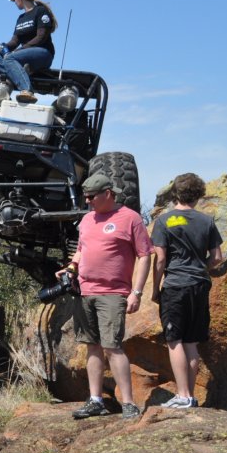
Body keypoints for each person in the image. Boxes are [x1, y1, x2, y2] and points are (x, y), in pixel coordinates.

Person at [62, 173, 153, 420]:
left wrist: (137, 292)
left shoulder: (130, 218)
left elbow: (144, 255)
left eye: (92, 197)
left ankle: (128, 403)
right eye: (86, 197)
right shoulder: (87, 220)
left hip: (113, 293)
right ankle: (95, 400)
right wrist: (71, 267)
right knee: (92, 347)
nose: (88, 201)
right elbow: (82, 250)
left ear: (108, 194)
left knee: (112, 346)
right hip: (85, 291)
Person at [150, 173, 226, 409]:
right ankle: (188, 396)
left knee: (175, 341)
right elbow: (217, 258)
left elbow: (160, 259)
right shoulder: (207, 221)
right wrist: (198, 266)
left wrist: (155, 288)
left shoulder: (165, 221)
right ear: (199, 194)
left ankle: (183, 396)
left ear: (175, 193)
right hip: (200, 285)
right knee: (192, 343)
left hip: (176, 286)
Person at [0, 0, 58, 104]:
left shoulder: (41, 11)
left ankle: (27, 90)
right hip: (21, 56)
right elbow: (15, 41)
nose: (14, 2)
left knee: (9, 59)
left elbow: (41, 37)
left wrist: (20, 50)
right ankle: (18, 72)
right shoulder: (21, 18)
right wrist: (3, 47)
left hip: (42, 54)